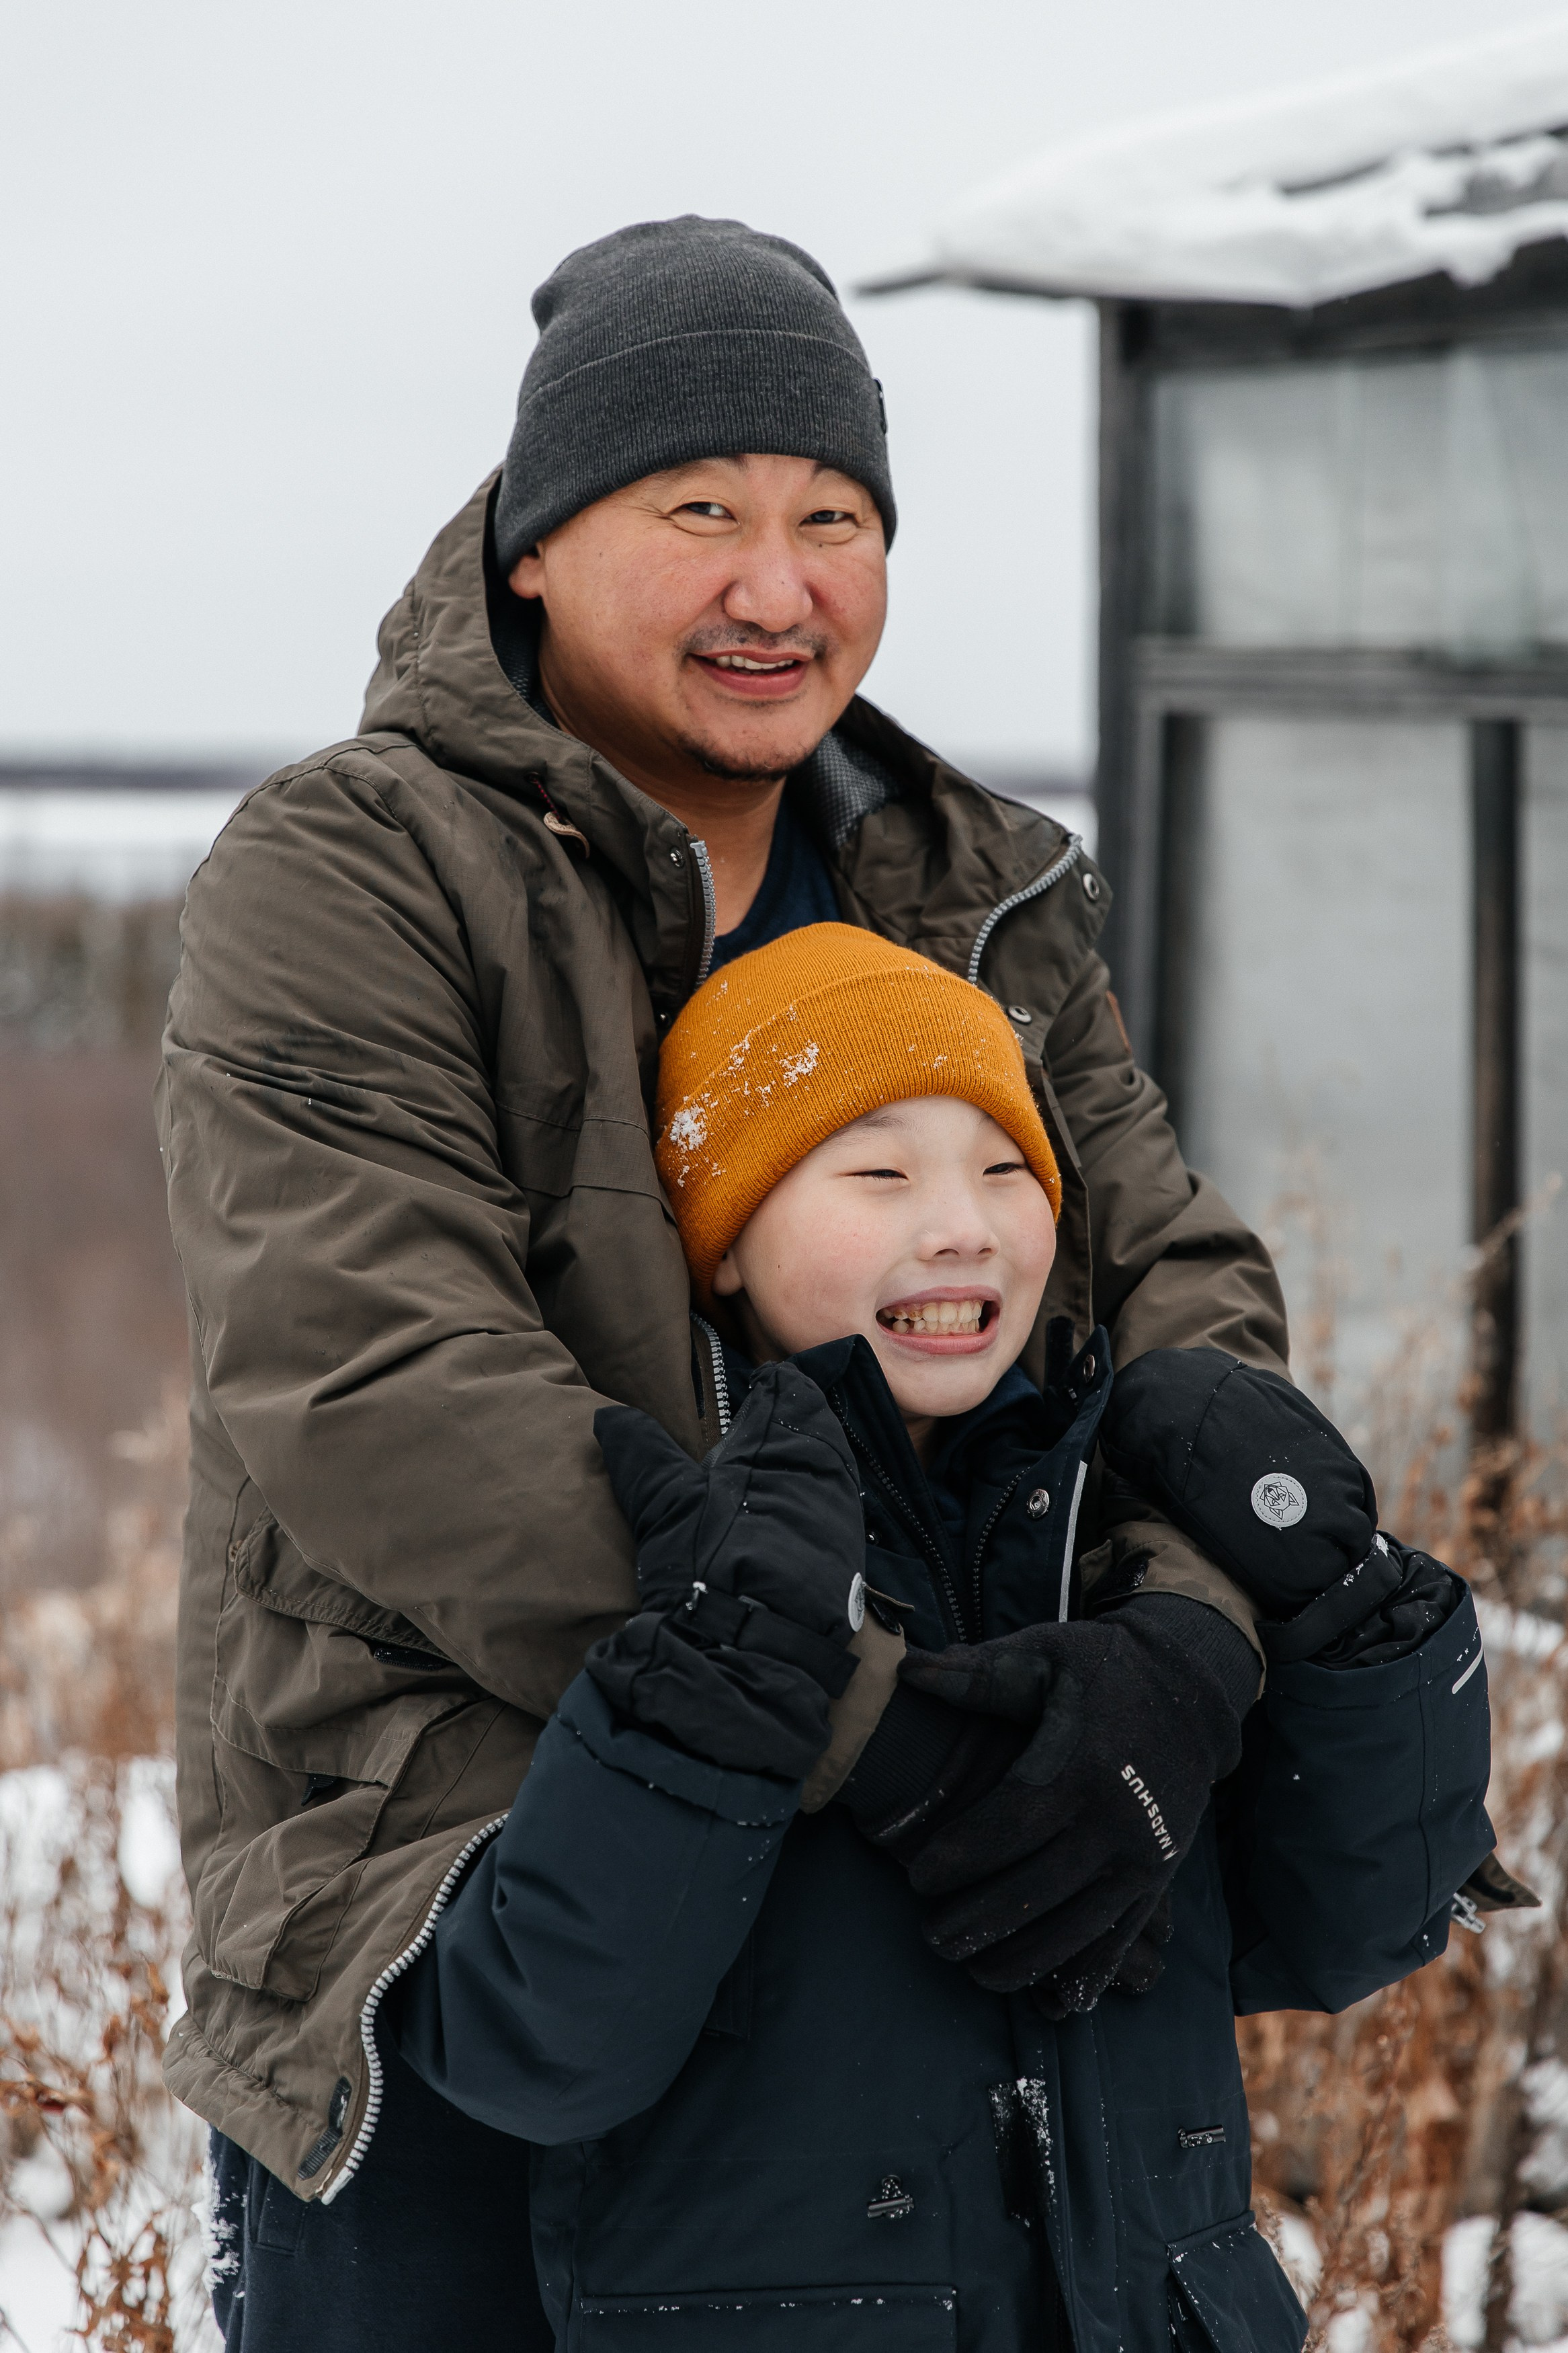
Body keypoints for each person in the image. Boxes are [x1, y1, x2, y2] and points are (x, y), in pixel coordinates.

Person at [161, 212, 1291, 2343]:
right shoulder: (352, 870)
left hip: (938, 1946)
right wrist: (899, 1740)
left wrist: (1180, 1651)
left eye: (833, 517)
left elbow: (1184, 1295)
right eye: (700, 513)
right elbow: (384, 1384)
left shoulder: (978, 896)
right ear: (530, 543)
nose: (779, 588)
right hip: (470, 1924)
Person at [375, 924, 1494, 2353]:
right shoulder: (670, 1553)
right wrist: (721, 1680)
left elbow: (1347, 1930)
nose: (962, 1222)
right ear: (723, 1237)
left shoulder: (1117, 1549)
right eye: (881, 1170)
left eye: (1006, 1167)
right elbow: (540, 2049)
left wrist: (1353, 1610)